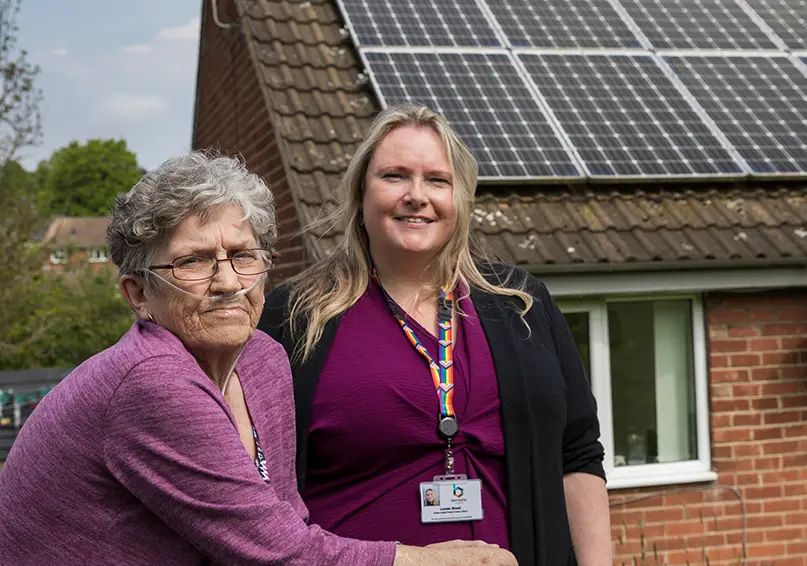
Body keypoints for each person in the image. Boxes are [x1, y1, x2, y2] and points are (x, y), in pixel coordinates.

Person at [0, 152, 515, 566]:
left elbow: (287, 523)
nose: (227, 282)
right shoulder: (150, 381)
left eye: (243, 256)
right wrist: (430, 560)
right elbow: (276, 553)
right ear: (138, 294)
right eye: (194, 261)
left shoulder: (263, 359)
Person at [258, 103, 613, 566]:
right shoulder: (294, 317)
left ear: (460, 199)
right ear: (360, 196)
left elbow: (578, 452)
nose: (416, 195)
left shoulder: (522, 304)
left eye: (437, 180)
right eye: (394, 176)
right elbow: (257, 490)